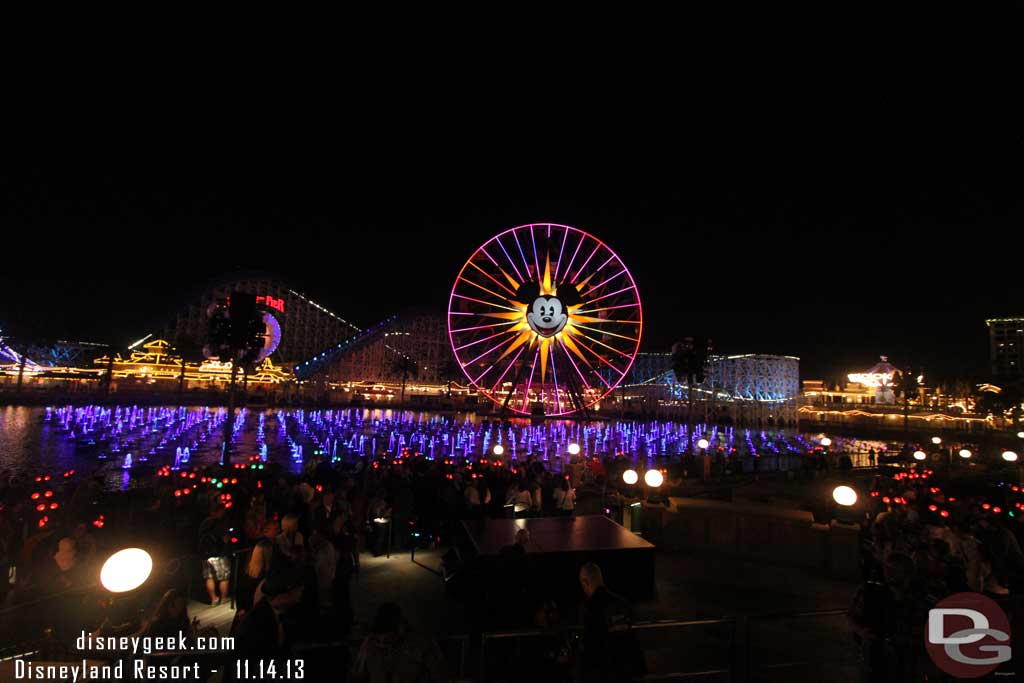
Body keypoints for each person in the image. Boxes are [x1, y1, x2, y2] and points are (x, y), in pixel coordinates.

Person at [578, 563, 645, 682]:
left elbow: (590, 644)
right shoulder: (622, 602)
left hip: (604, 670)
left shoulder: (590, 607)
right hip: (625, 668)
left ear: (585, 582)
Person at [352, 603, 447, 683]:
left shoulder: (420, 643)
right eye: (379, 641)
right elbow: (359, 676)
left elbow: (438, 674)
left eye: (387, 640)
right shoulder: (370, 643)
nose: (383, 644)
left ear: (401, 629)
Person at [198, 506, 232, 605]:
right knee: (224, 577)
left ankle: (214, 599)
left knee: (209, 577)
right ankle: (224, 598)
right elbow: (224, 539)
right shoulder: (218, 523)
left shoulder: (204, 523)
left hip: (205, 555)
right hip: (218, 554)